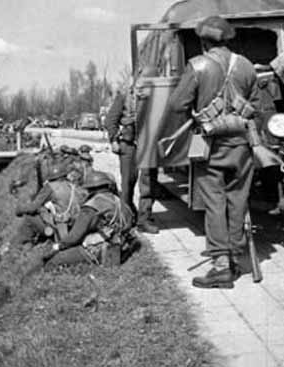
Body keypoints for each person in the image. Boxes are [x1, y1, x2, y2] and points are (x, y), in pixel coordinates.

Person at [167, 15, 260, 289]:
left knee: (214, 204)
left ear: (203, 41)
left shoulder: (198, 65)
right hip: (242, 145)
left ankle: (220, 267)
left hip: (210, 145)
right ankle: (234, 258)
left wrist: (198, 109)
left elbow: (176, 105)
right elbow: (255, 105)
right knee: (238, 201)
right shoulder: (246, 66)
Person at [40, 171, 135, 269]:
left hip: (100, 250)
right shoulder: (119, 201)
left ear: (90, 189)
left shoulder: (91, 207)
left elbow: (74, 238)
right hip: (123, 247)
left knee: (54, 261)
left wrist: (57, 247)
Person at [105, 75, 159, 234]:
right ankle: (126, 217)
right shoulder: (124, 97)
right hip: (128, 145)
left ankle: (144, 219)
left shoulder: (156, 98)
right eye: (141, 84)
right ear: (135, 84)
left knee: (148, 183)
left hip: (148, 145)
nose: (143, 89)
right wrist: (114, 140)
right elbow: (110, 120)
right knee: (128, 183)